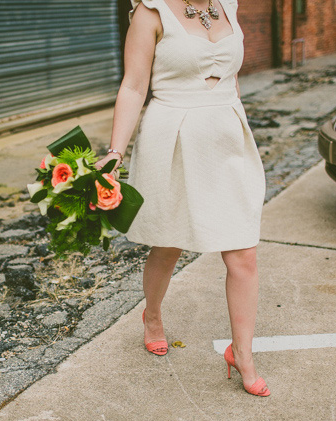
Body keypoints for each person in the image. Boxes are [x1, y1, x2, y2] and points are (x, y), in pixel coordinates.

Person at [96, 0, 269, 396]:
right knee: (168, 244)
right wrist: (115, 152)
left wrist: (236, 122)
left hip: (227, 140)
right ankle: (152, 316)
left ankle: (242, 352)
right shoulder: (150, 12)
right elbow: (134, 86)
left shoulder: (228, 4)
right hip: (171, 139)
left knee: (243, 252)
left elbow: (232, 77)